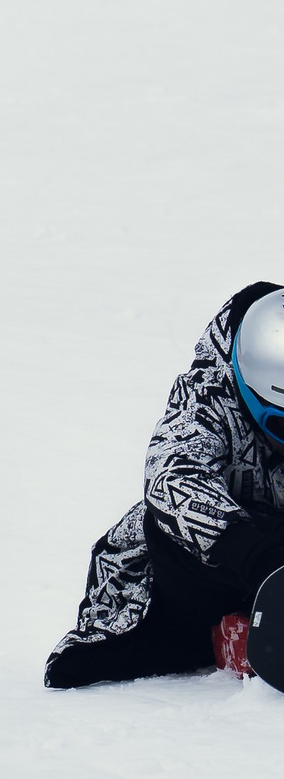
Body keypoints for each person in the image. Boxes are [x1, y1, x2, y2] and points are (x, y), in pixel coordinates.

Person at [46, 286, 284, 686]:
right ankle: (226, 632)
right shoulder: (209, 397)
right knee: (170, 525)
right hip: (216, 560)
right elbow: (172, 475)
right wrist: (259, 556)